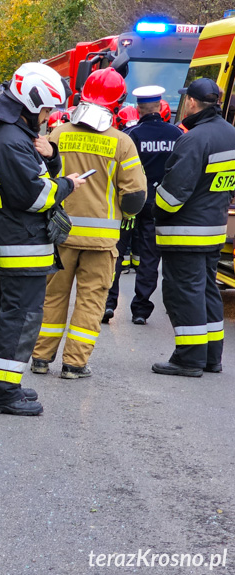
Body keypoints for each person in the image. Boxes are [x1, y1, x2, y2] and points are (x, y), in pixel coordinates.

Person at [0, 62, 86, 415]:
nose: (46, 116)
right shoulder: (11, 141)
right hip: (21, 245)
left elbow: (36, 174)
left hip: (21, 242)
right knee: (20, 319)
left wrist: (52, 157)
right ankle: (1, 394)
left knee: (10, 316)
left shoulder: (16, 135)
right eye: (44, 110)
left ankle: (3, 385)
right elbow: (35, 197)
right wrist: (69, 184)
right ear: (29, 104)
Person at [30, 68, 146, 379]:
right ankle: (74, 365)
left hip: (60, 235)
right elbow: (135, 197)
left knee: (52, 298)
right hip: (102, 243)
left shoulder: (58, 134)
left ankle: (40, 359)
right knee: (91, 301)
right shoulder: (122, 143)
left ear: (83, 94)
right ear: (118, 101)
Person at [152, 78, 235, 377]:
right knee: (206, 291)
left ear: (191, 102)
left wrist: (154, 209)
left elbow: (173, 194)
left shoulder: (194, 138)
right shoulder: (231, 134)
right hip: (214, 229)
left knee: (184, 293)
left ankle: (188, 359)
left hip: (185, 232)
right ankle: (212, 357)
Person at [103, 86, 183, 325]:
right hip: (159, 205)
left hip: (131, 203)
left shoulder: (131, 135)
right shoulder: (176, 135)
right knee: (149, 257)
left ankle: (108, 304)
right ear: (160, 107)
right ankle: (141, 310)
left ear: (138, 109)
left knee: (116, 253)